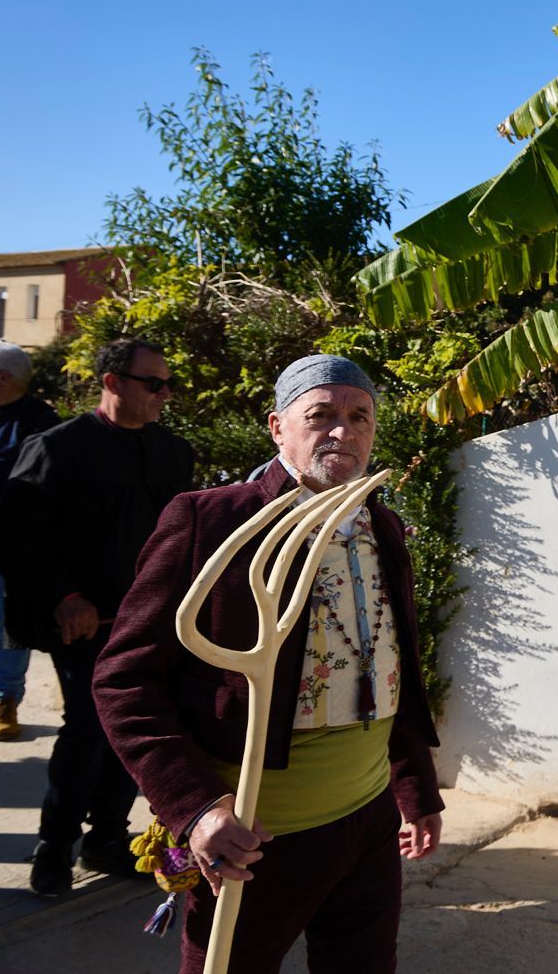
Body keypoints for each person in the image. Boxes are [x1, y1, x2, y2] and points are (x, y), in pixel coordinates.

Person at [94, 354, 443, 974]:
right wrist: (195, 808)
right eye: (321, 415)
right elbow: (125, 679)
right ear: (278, 426)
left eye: (359, 417)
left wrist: (414, 792)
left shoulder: (381, 526)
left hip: (366, 822)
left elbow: (393, 664)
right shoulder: (210, 521)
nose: (343, 431)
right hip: (254, 833)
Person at [0, 337, 193, 895]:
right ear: (112, 383)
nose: (164, 394)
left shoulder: (174, 452)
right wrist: (63, 596)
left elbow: (180, 538)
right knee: (87, 727)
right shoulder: (57, 448)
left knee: (134, 729)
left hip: (150, 620)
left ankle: (107, 838)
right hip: (81, 623)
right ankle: (53, 847)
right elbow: (13, 536)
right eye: (153, 383)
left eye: (166, 383)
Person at [0, 340, 62, 741]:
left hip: (13, 541)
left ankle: (5, 699)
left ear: (4, 378)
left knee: (12, 626)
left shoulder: (39, 421)